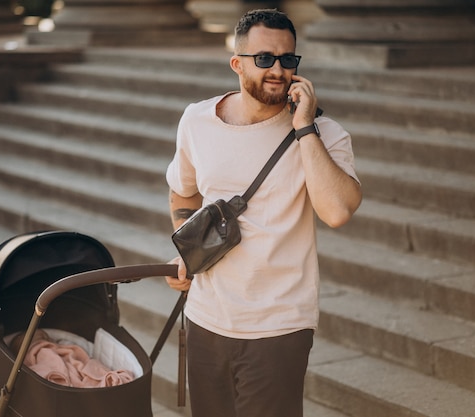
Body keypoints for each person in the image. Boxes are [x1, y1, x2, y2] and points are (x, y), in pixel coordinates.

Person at [164, 8, 362, 417]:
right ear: (237, 63)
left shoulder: (326, 135)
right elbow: (181, 193)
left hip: (279, 326)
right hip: (205, 319)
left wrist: (305, 126)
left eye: (288, 59)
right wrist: (189, 249)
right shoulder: (197, 120)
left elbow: (338, 210)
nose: (278, 70)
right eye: (265, 59)